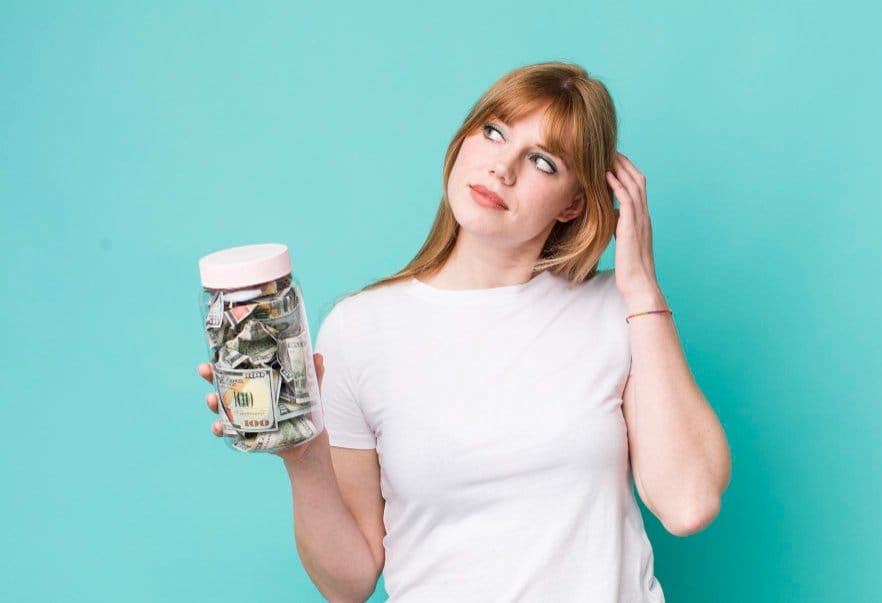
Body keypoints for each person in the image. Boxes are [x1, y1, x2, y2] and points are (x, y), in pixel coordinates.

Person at [199, 61, 731, 602]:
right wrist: (303, 454)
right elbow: (350, 583)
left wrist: (643, 291)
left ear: (574, 202)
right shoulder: (360, 329)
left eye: (543, 161)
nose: (503, 168)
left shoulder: (615, 311)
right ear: (462, 143)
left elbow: (689, 504)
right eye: (494, 131)